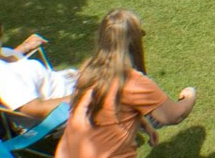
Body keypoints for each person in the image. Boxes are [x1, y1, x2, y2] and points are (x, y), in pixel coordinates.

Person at [55, 9, 196, 158]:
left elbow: (107, 110)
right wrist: (189, 96)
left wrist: (144, 124)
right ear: (134, 42)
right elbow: (174, 115)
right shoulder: (131, 81)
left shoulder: (90, 68)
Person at [0, 8, 76, 120]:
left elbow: (0, 58)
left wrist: (24, 47)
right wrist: (81, 97)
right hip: (66, 98)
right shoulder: (7, 79)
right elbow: (36, 108)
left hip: (62, 82)